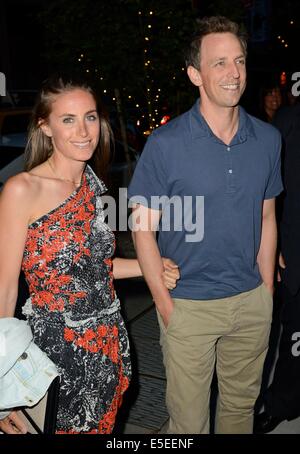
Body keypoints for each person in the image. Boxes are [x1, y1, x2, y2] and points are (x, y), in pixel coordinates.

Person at [127, 16, 283, 434]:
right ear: (195, 73)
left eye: (239, 61)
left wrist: (266, 289)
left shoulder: (268, 140)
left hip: (251, 303)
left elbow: (267, 216)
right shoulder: (166, 144)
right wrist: (163, 302)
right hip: (188, 305)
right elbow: (142, 228)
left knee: (239, 412)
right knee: (188, 424)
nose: (233, 73)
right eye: (219, 63)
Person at [0, 75, 179, 434]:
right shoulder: (23, 189)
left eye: (91, 117)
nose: (83, 131)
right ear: (45, 127)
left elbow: (95, 268)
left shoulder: (92, 186)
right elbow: (4, 292)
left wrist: (151, 266)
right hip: (54, 356)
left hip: (108, 344)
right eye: (68, 119)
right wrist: (3, 392)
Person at [254, 99, 300, 433]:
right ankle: (283, 402)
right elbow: (272, 191)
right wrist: (277, 245)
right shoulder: (290, 120)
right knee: (294, 334)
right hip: (295, 247)